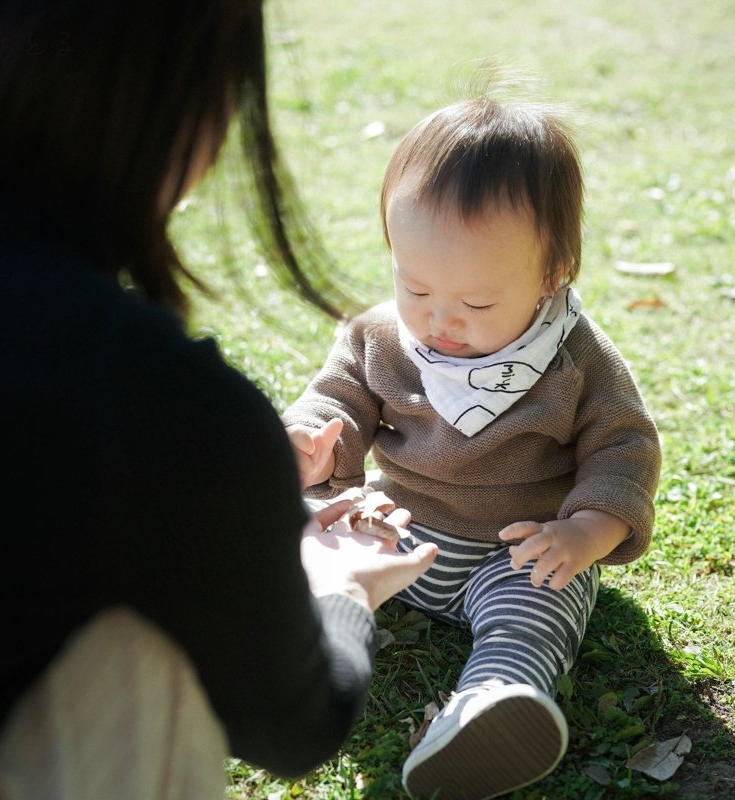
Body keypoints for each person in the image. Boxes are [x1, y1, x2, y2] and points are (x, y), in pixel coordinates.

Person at [0, 2, 437, 798]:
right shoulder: (140, 399)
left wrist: (257, 517)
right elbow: (298, 724)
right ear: (191, 100)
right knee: (135, 648)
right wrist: (341, 588)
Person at [283, 83, 663, 799]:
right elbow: (340, 396)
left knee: (544, 602)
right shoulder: (380, 337)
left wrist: (585, 531)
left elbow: (624, 447)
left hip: (516, 551)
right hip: (391, 530)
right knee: (306, 534)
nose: (440, 321)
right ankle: (279, 639)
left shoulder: (574, 359)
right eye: (414, 287)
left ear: (553, 274)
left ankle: (492, 702)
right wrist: (314, 441)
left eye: (477, 302)